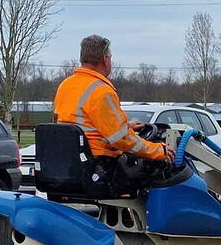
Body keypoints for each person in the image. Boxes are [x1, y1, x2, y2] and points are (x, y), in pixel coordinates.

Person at [54, 35, 173, 166]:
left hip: (68, 161)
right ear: (105, 59)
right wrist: (159, 150)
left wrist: (126, 126)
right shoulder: (101, 91)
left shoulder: (65, 85)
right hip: (97, 164)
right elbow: (121, 139)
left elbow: (82, 124)